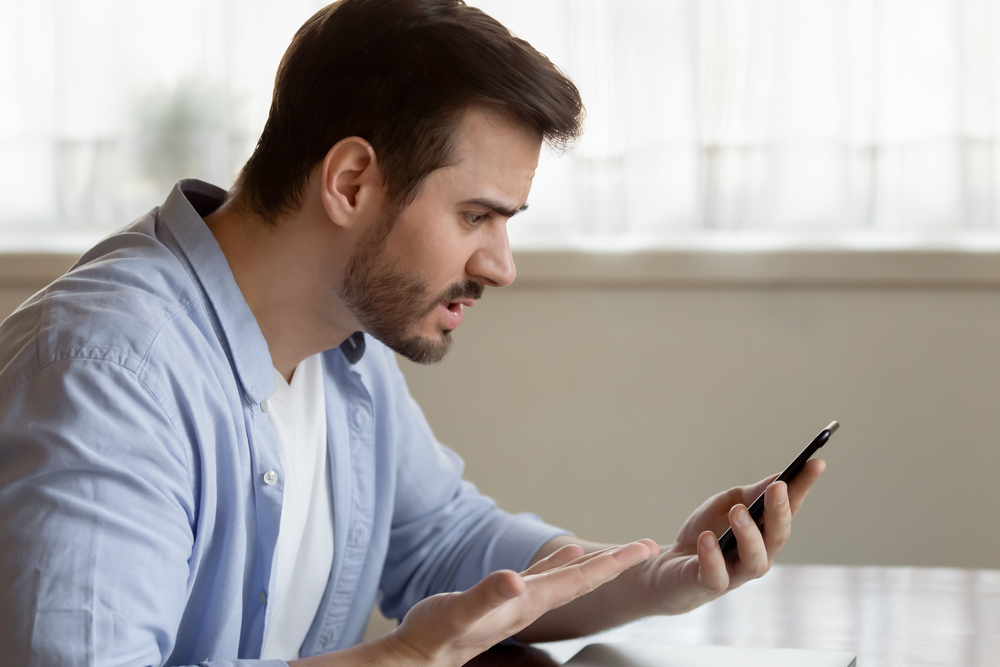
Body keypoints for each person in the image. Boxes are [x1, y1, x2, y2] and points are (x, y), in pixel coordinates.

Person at [0, 1, 825, 665]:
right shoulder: (107, 373)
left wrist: (660, 577)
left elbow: (446, 543)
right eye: (477, 216)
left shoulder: (343, 351)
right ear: (352, 181)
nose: (501, 264)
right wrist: (402, 658)